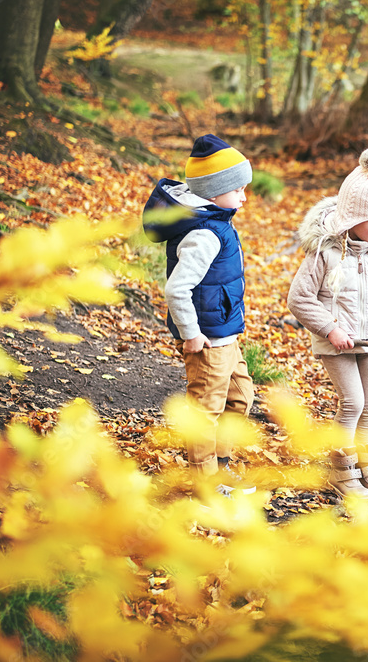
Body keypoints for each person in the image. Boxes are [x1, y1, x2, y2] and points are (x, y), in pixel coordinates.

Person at [287, 148, 368, 500]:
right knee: (353, 402)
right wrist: (330, 328)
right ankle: (341, 474)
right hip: (337, 342)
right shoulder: (325, 253)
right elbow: (299, 299)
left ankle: (367, 471)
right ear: (352, 218)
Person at [142, 133, 256, 496]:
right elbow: (177, 289)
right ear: (213, 191)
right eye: (238, 188)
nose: (244, 196)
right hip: (207, 340)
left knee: (241, 399)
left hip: (227, 335)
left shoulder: (216, 221)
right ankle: (204, 486)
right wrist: (191, 334)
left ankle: (220, 469)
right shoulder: (205, 234)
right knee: (205, 412)